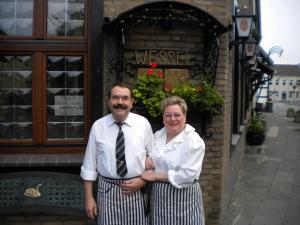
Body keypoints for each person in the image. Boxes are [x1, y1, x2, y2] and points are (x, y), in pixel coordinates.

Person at [80, 83, 154, 225]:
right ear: (108, 102)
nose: (120, 102)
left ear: (131, 102)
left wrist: (143, 180)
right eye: (115, 98)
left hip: (137, 190)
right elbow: (89, 165)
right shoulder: (98, 126)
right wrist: (89, 198)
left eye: (125, 98)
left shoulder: (143, 124)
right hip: (107, 191)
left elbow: (154, 158)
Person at [141, 95, 206, 225]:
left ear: (185, 117)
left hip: (183, 199)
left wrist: (155, 176)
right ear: (163, 118)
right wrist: (147, 157)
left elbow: (186, 175)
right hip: (159, 198)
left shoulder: (193, 141)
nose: (173, 119)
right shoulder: (158, 135)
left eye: (177, 115)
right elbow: (149, 155)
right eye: (168, 115)